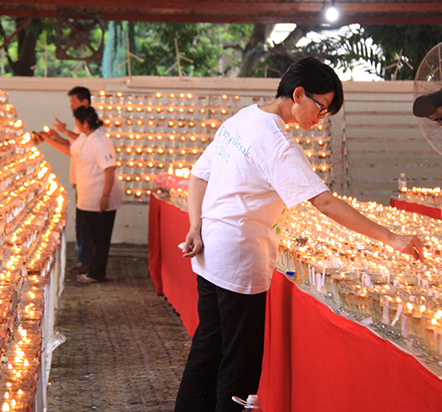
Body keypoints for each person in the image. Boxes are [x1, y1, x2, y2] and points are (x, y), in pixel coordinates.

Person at [175, 57, 425, 412]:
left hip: (209, 253)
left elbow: (199, 175)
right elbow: (324, 202)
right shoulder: (278, 143)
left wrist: (195, 226)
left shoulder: (243, 118)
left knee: (207, 348)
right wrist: (392, 237)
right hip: (240, 263)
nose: (321, 118)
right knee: (238, 364)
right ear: (298, 94)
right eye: (321, 108)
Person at [40, 105, 123, 283]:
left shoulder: (100, 141)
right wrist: (50, 139)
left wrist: (105, 196)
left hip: (98, 195)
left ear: (85, 123)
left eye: (77, 122)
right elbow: (72, 151)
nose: (76, 125)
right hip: (87, 195)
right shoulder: (86, 137)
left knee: (99, 237)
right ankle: (91, 268)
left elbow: (110, 169)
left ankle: (97, 273)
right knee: (90, 234)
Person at [48, 86, 93, 276]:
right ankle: (83, 260)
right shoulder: (78, 123)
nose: (71, 105)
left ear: (84, 102)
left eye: (73, 101)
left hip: (89, 182)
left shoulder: (89, 122)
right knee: (82, 222)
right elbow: (73, 145)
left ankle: (88, 262)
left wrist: (53, 138)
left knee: (86, 224)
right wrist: (58, 136)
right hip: (79, 178)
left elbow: (77, 147)